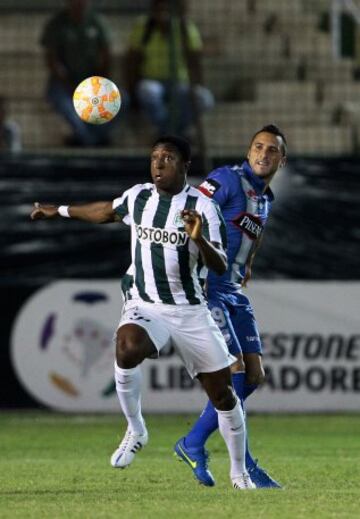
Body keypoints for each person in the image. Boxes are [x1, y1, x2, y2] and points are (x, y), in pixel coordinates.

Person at [30, 135, 255, 490]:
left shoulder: (204, 207)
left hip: (190, 311)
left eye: (167, 158)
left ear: (185, 166)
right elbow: (106, 211)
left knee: (224, 395)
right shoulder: (139, 197)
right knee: (127, 346)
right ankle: (136, 428)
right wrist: (58, 210)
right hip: (145, 303)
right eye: (154, 157)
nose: (158, 164)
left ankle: (239, 472)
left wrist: (198, 239)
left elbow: (220, 264)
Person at [174, 124, 287, 488]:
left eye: (272, 150)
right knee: (233, 373)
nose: (263, 154)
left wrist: (249, 261)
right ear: (248, 150)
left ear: (281, 160)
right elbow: (190, 211)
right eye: (258, 147)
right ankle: (245, 466)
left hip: (234, 292)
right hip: (209, 289)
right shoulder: (226, 179)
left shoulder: (264, 198)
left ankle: (192, 442)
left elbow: (252, 233)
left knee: (254, 377)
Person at [124, 0, 214, 137]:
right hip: (152, 81)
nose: (163, 14)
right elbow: (132, 60)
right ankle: (167, 131)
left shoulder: (185, 28)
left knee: (204, 98)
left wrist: (196, 85)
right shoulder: (144, 27)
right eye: (159, 9)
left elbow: (194, 61)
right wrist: (131, 90)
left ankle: (174, 131)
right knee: (148, 91)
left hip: (179, 83)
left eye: (166, 9)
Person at [40, 0, 114, 147]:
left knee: (122, 100)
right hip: (64, 82)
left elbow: (106, 55)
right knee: (63, 102)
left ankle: (89, 138)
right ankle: (89, 141)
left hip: (93, 82)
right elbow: (51, 59)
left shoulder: (97, 22)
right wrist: (69, 84)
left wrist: (98, 83)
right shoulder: (56, 23)